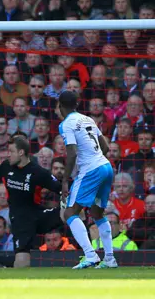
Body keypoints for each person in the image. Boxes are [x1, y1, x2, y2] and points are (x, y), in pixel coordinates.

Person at [0, 135, 63, 268]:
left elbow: (60, 189)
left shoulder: (37, 172)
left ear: (21, 152)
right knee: (22, 265)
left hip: (39, 214)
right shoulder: (7, 166)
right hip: (21, 220)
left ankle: (90, 255)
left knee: (70, 212)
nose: (9, 155)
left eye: (12, 151)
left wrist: (67, 200)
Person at [58, 90, 117, 269]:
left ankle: (90, 255)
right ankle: (109, 258)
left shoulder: (66, 124)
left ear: (60, 106)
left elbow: (72, 153)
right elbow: (105, 146)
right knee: (97, 213)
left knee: (69, 212)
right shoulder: (88, 119)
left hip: (91, 169)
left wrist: (65, 180)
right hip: (106, 167)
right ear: (76, 105)